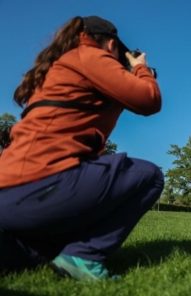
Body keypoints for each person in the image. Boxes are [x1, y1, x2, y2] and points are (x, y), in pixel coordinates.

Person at [0, 16, 163, 280]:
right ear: (111, 45)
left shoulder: (57, 68)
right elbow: (148, 100)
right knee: (148, 176)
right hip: (41, 184)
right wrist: (141, 69)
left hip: (10, 193)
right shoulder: (90, 56)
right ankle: (85, 254)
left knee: (41, 256)